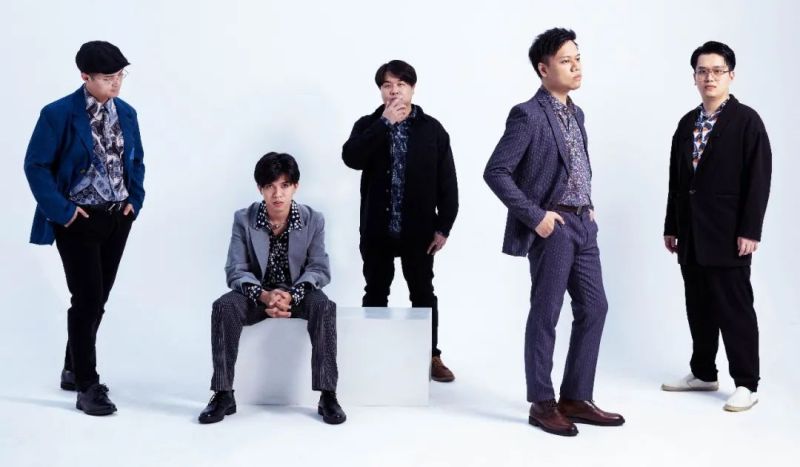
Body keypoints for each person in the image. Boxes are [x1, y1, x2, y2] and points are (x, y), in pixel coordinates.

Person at [484, 28, 624, 436]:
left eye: (578, 58)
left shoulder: (577, 114)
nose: (576, 66)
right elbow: (496, 171)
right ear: (544, 69)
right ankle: (542, 403)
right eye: (566, 60)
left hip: (583, 224)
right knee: (546, 312)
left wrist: (588, 203)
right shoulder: (527, 114)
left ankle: (576, 397)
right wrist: (536, 216)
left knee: (595, 308)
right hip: (553, 227)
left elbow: (575, 164)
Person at [24, 40, 145, 416]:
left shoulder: (127, 113)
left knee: (98, 298)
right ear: (85, 77)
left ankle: (72, 367)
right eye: (107, 77)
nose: (116, 83)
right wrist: (63, 212)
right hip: (78, 219)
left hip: (117, 217)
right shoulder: (57, 114)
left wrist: (135, 200)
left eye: (120, 75)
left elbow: (136, 161)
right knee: (87, 299)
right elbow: (35, 166)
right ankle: (88, 386)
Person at [661, 41, 771, 412]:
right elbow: (677, 181)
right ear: (694, 76)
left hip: (729, 234)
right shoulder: (686, 123)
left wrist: (750, 230)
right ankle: (703, 373)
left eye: (717, 71)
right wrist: (672, 225)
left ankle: (747, 383)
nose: (710, 77)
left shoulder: (747, 122)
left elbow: (758, 179)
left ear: (731, 75)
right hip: (691, 233)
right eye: (702, 71)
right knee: (698, 306)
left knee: (735, 309)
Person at [198, 152, 345, 425]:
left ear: (295, 186)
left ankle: (328, 395)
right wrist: (264, 295)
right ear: (260, 189)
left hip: (299, 293)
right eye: (270, 186)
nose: (278, 194)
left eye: (285, 185)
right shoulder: (244, 219)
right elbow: (235, 269)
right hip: (256, 294)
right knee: (224, 305)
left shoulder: (313, 219)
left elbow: (319, 268)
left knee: (325, 306)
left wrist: (292, 295)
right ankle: (223, 393)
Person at [342, 60, 459, 382]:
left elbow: (448, 182)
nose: (394, 91)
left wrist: (444, 226)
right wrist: (384, 124)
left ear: (412, 88)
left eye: (401, 84)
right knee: (375, 290)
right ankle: (372, 352)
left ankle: (431, 355)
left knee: (422, 293)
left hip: (419, 230)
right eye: (387, 85)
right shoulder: (368, 124)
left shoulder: (432, 129)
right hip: (377, 228)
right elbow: (351, 158)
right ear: (380, 90)